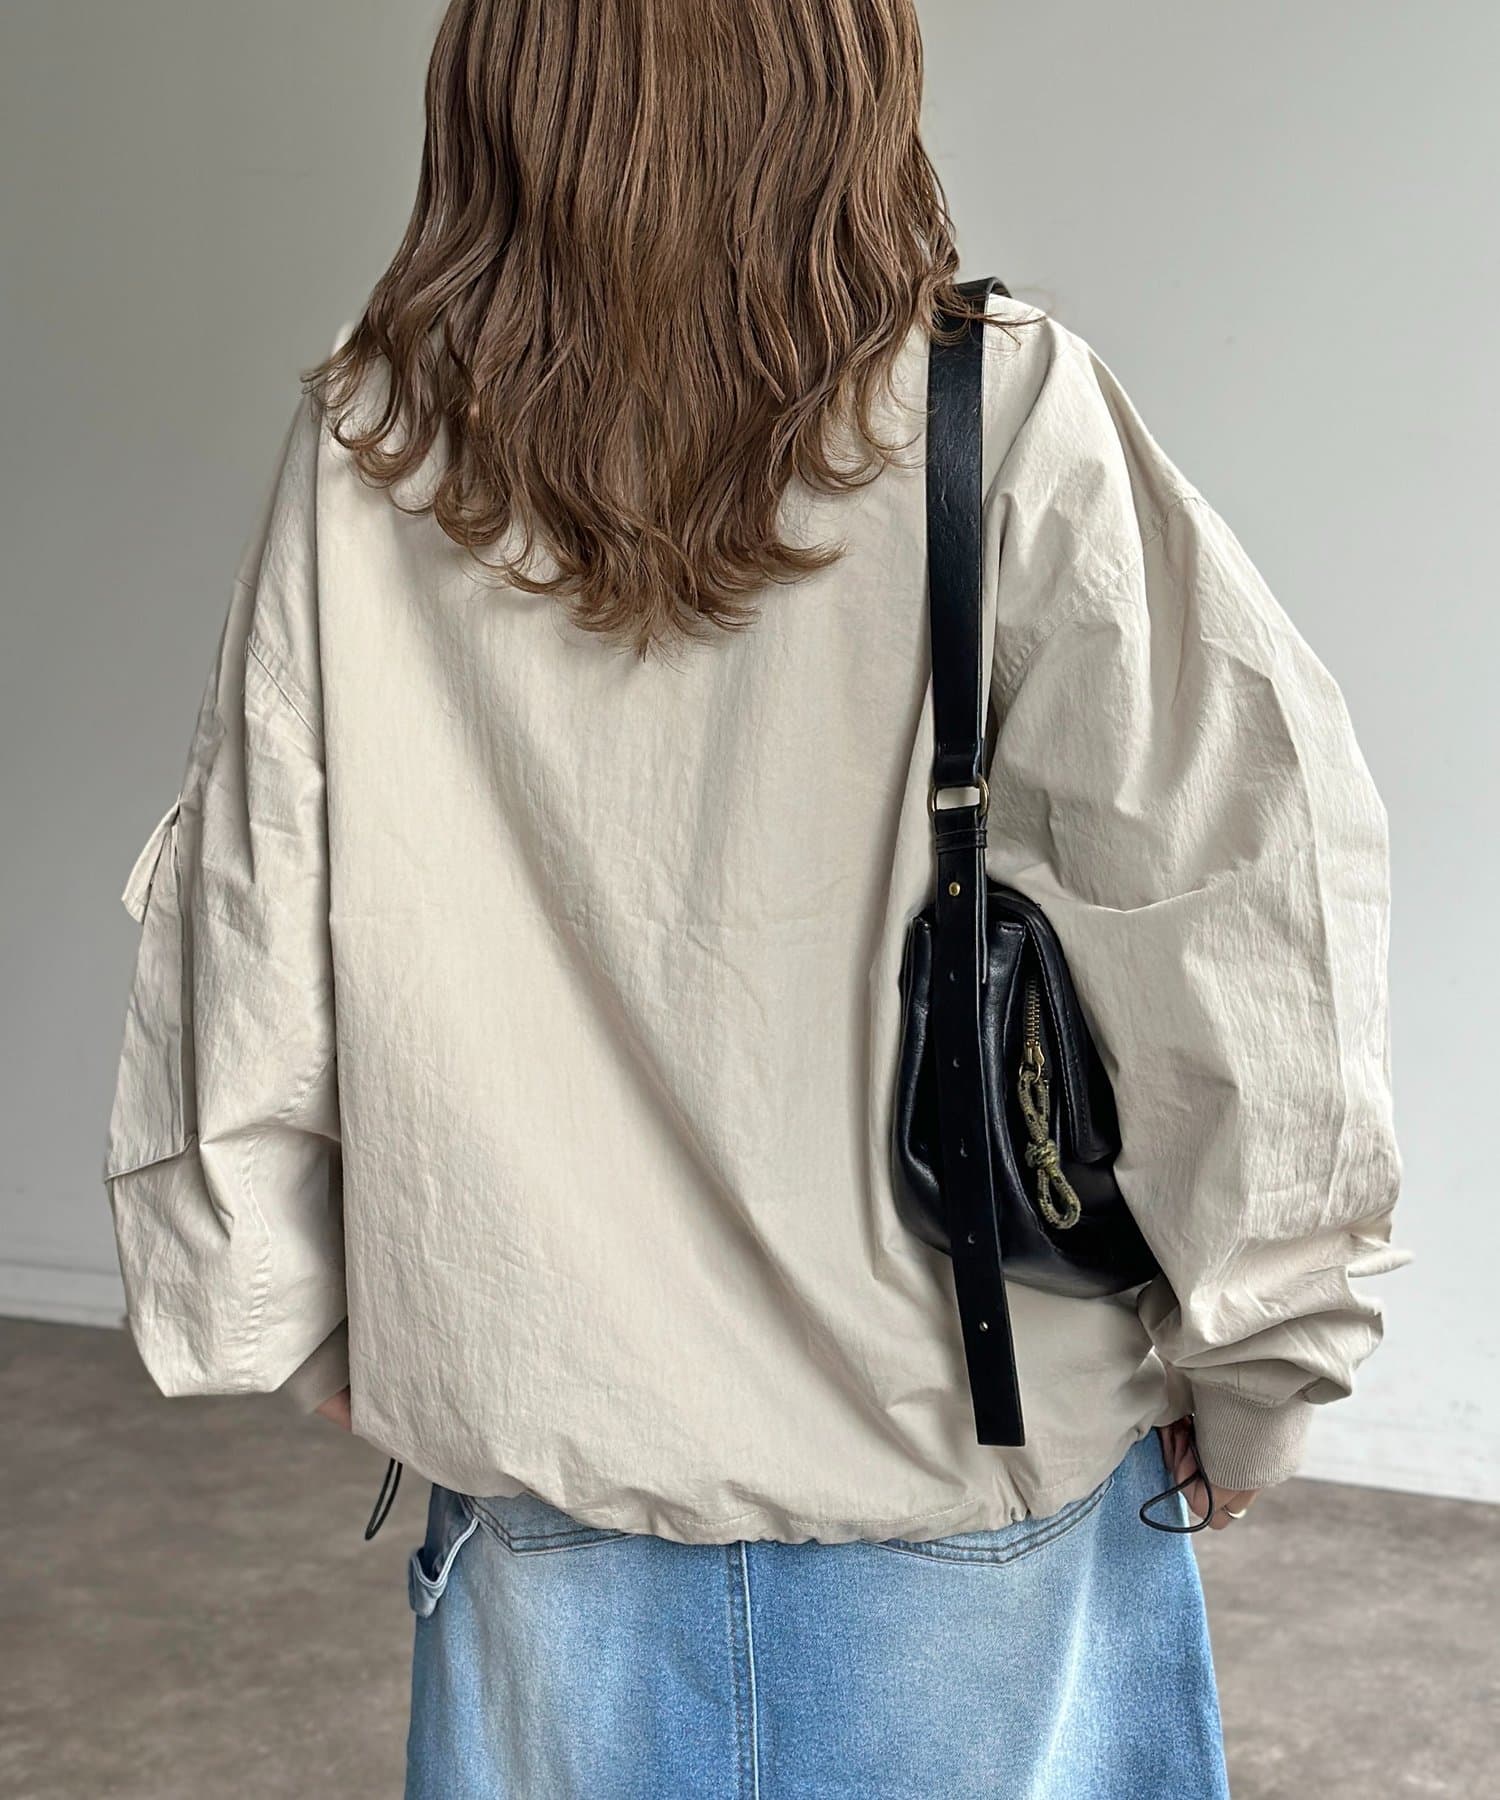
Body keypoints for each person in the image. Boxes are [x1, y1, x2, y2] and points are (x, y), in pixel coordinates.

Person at [101, 2, 1407, 1795]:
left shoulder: (377, 444)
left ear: (504, 83)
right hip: (963, 1464)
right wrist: (1267, 1361)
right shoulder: (994, 405)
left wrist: (291, 1301)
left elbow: (251, 903)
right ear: (846, 75)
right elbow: (1234, 896)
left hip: (551, 1468)